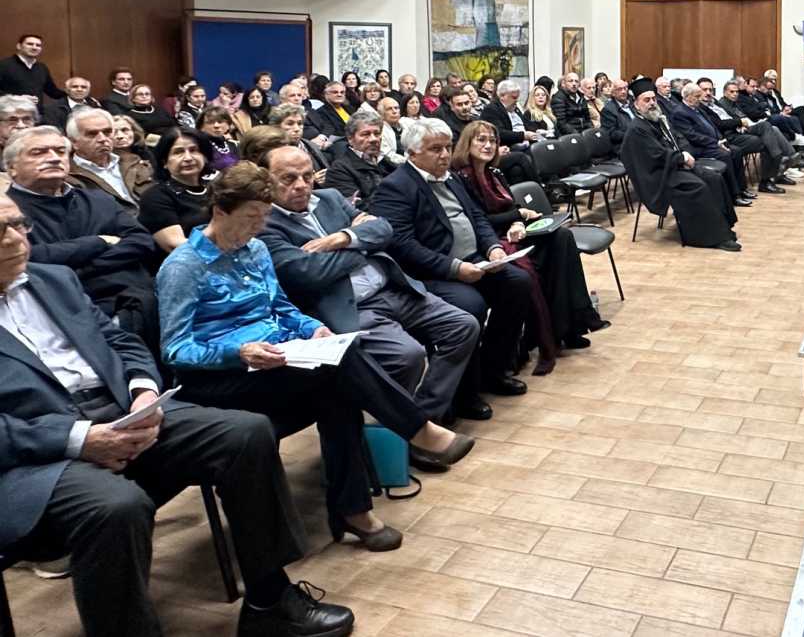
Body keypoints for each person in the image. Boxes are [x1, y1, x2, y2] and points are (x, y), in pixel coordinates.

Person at [0, 192, 358, 637]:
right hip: (37, 454)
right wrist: (78, 438)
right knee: (116, 506)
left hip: (120, 412)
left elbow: (121, 342)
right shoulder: (185, 262)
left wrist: (142, 391)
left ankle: (269, 600)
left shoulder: (53, 278)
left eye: (20, 225)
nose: (15, 239)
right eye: (0, 230)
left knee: (246, 433)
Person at [157, 163, 475, 545]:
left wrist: (312, 328)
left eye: (264, 217)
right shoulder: (184, 266)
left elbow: (280, 307)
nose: (258, 227)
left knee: (337, 385)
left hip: (272, 361)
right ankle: (413, 435)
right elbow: (175, 349)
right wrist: (238, 352)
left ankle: (354, 510)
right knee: (337, 370)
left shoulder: (255, 249)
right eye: (250, 217)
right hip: (217, 379)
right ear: (220, 211)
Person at [259, 145, 484, 427]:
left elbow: (384, 230)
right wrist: (361, 243)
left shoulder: (329, 197)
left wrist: (341, 238)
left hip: (393, 288)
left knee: (463, 326)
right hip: (349, 307)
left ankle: (421, 421)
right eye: (289, 178)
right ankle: (412, 427)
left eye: (307, 176)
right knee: (407, 355)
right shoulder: (265, 225)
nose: (302, 185)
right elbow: (308, 272)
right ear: (266, 180)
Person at [369, 118, 534, 399]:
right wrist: (454, 268)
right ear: (413, 153)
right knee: (471, 304)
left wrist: (493, 248)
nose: (445, 155)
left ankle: (494, 370)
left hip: (474, 260)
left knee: (518, 283)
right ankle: (464, 393)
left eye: (447, 147)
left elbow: (477, 217)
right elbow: (403, 245)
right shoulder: (395, 186)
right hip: (432, 274)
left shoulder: (452, 178)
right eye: (436, 149)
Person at [453, 120, 606, 372]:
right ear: (466, 144)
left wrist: (517, 220)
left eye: (492, 141)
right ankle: (548, 334)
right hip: (489, 240)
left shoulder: (494, 173)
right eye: (481, 140)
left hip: (512, 231)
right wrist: (518, 216)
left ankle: (570, 326)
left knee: (562, 238)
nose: (488, 145)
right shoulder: (462, 179)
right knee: (539, 260)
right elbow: (477, 220)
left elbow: (510, 206)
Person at [4, 126, 159, 349]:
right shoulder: (7, 212)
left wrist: (79, 268)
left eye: (60, 151)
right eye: (39, 152)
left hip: (139, 299)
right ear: (11, 167)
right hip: (70, 314)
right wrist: (99, 242)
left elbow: (141, 241)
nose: (54, 158)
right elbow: (32, 258)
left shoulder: (97, 199)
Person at [619, 80, 739, 251]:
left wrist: (685, 153)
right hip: (658, 176)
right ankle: (709, 237)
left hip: (672, 166)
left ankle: (723, 229)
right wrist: (681, 158)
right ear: (636, 104)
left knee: (714, 178)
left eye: (653, 99)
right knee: (697, 186)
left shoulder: (657, 119)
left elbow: (678, 137)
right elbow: (656, 155)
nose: (652, 103)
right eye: (646, 100)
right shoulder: (637, 128)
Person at [696, 78, 785, 195]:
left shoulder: (714, 102)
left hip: (737, 131)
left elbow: (730, 116)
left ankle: (775, 167)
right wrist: (739, 122)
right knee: (767, 141)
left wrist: (739, 123)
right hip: (727, 137)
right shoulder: (700, 106)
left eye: (710, 90)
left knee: (768, 130)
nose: (708, 92)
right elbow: (719, 124)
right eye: (704, 90)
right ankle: (772, 171)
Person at [669, 85, 755, 205]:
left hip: (712, 143)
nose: (700, 99)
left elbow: (712, 126)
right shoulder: (679, 113)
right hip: (698, 147)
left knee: (736, 151)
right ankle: (734, 195)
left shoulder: (698, 108)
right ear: (687, 97)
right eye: (697, 96)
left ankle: (741, 188)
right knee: (725, 155)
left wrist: (721, 140)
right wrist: (715, 143)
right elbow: (692, 136)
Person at [137, 128, 215, 252]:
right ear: (164, 162)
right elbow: (176, 245)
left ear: (205, 157)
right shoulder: (155, 197)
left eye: (193, 150)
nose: (188, 158)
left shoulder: (218, 189)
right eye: (178, 152)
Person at [65, 109, 154, 214]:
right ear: (74, 142)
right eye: (92, 134)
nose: (103, 139)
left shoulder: (134, 161)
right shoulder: (68, 177)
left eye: (107, 132)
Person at [324, 114, 393, 207]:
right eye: (365, 134)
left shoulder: (384, 161)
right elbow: (356, 208)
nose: (373, 139)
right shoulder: (339, 170)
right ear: (350, 139)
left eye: (377, 134)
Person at [0, 33, 62, 103]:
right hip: (10, 109)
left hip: (37, 110)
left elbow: (52, 91)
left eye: (38, 45)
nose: (34, 47)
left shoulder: (42, 68)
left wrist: (70, 93)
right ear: (19, 46)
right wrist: (16, 98)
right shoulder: (3, 65)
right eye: (30, 44)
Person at [268, 103, 328, 174]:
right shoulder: (270, 152)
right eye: (290, 124)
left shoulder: (310, 145)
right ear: (276, 126)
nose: (297, 129)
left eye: (299, 123)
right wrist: (312, 179)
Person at [197, 106, 240, 172]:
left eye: (220, 121)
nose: (216, 125)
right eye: (210, 122)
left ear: (228, 125)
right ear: (201, 127)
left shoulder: (235, 145)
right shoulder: (199, 148)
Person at [599, 78, 634, 154]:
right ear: (613, 93)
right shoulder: (608, 110)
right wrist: (632, 134)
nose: (623, 91)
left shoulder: (632, 104)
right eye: (619, 89)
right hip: (623, 146)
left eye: (625, 88)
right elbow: (612, 134)